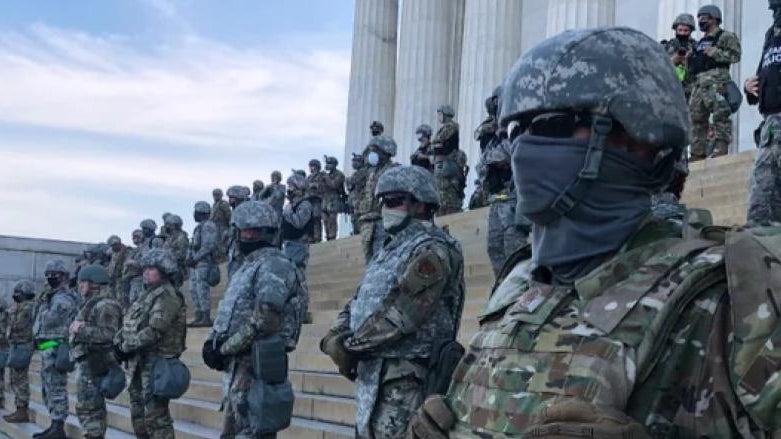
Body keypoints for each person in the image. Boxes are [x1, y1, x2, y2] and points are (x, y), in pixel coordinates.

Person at [408, 26, 781, 439]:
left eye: (553, 124)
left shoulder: (735, 296)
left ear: (642, 137)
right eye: (517, 130)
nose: (525, 148)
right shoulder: (519, 283)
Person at [321, 165, 465, 439]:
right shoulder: (389, 249)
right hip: (373, 379)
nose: (386, 207)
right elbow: (358, 299)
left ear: (421, 203)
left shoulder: (432, 248)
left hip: (405, 382)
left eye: (395, 201)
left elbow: (402, 314)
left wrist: (351, 347)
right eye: (383, 201)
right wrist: (334, 336)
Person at [203, 201, 303, 437]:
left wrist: (224, 349)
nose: (248, 236)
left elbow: (266, 319)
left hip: (257, 364)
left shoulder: (274, 264)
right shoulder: (247, 267)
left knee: (252, 432)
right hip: (239, 366)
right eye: (245, 231)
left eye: (254, 231)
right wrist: (214, 342)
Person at [114, 248, 186, 439]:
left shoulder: (167, 295)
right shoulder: (146, 294)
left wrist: (125, 347)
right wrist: (118, 341)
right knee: (139, 414)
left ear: (164, 270)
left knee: (156, 417)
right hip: (139, 362)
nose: (146, 272)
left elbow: (155, 330)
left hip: (157, 363)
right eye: (145, 268)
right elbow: (130, 322)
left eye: (152, 268)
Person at [70, 265, 123, 439]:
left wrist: (81, 330)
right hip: (87, 362)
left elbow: (108, 334)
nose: (80, 286)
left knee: (91, 409)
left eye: (83, 282)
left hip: (96, 363)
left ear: (94, 283)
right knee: (86, 407)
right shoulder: (91, 303)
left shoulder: (106, 305)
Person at [33, 259, 82, 439]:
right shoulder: (51, 296)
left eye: (55, 274)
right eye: (48, 275)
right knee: (48, 386)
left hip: (57, 345)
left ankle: (58, 425)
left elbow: (51, 319)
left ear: (64, 277)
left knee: (56, 386)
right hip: (48, 344)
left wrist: (43, 308)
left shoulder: (63, 298)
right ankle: (54, 423)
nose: (51, 278)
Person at [688, 4, 741, 161]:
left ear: (714, 18)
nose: (701, 21)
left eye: (704, 17)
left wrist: (715, 52)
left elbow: (735, 55)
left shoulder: (725, 36)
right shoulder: (700, 42)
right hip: (699, 84)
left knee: (720, 114)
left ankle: (721, 148)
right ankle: (697, 153)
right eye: (699, 18)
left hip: (717, 82)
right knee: (696, 118)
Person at [745, 0, 781, 226]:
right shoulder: (772, 34)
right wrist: (749, 87)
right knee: (761, 200)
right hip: (770, 125)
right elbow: (763, 74)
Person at [484, 139, 529, 277]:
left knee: (513, 250)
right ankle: (502, 284)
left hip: (512, 205)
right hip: (497, 203)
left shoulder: (515, 141)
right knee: (493, 247)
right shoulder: (493, 143)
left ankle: (518, 286)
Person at [356, 135, 399, 263]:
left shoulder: (393, 170)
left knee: (381, 260)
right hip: (367, 223)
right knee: (370, 262)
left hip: (383, 222)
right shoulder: (371, 172)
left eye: (375, 150)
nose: (371, 154)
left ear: (385, 152)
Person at [281, 173, 314, 323]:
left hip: (299, 245)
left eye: (292, 187)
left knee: (299, 279)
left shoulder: (305, 205)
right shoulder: (291, 205)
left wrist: (287, 212)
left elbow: (299, 222)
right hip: (288, 245)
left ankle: (304, 311)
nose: (289, 190)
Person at [4, 279, 36, 424]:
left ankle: (22, 410)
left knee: (19, 378)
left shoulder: (26, 308)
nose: (15, 295)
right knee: (15, 378)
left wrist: (10, 314)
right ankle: (19, 408)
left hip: (23, 345)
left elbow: (17, 325)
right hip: (17, 345)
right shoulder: (19, 307)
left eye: (19, 293)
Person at [187, 201, 220, 327]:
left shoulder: (208, 226)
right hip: (196, 263)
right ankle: (199, 315)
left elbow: (208, 246)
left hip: (204, 263)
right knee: (193, 289)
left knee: (202, 290)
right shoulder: (199, 227)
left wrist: (195, 258)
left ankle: (205, 317)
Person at [431, 105, 467, 216]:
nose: (439, 117)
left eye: (440, 114)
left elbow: (438, 139)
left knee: (447, 188)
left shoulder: (451, 126)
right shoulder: (446, 127)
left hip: (448, 162)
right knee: (439, 186)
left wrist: (434, 143)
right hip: (442, 162)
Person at [662, 13, 698, 100]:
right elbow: (658, 66)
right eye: (680, 30)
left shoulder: (696, 47)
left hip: (690, 89)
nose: (682, 33)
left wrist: (687, 61)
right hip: (670, 87)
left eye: (685, 31)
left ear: (690, 31)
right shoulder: (666, 46)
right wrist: (672, 60)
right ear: (676, 30)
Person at [226, 185, 252, 278]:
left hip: (240, 251)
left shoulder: (243, 210)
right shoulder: (236, 211)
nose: (229, 200)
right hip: (234, 250)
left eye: (231, 198)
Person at [322, 156, 347, 241]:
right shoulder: (326, 175)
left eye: (330, 163)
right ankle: (328, 236)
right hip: (325, 199)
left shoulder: (339, 174)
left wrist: (326, 178)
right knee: (325, 220)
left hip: (334, 199)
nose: (328, 165)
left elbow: (334, 185)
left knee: (332, 219)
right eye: (327, 163)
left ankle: (332, 237)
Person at [162, 214, 189, 288]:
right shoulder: (169, 238)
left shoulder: (181, 237)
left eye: (168, 225)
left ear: (173, 226)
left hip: (178, 269)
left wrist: (169, 255)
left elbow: (183, 254)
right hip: (168, 268)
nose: (166, 227)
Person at [121, 229, 145, 309]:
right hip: (129, 278)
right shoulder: (134, 250)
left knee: (134, 300)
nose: (135, 239)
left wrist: (133, 262)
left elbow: (144, 263)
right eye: (133, 237)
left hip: (138, 278)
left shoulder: (144, 248)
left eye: (137, 237)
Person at [346, 153, 369, 235]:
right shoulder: (358, 172)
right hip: (354, 202)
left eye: (356, 161)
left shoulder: (364, 171)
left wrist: (349, 180)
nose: (354, 163)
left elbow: (353, 181)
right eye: (353, 161)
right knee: (354, 221)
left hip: (360, 202)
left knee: (359, 222)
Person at [306, 159, 327, 243]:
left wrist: (315, 185)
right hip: (309, 200)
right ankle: (311, 238)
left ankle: (318, 238)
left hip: (318, 199)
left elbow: (325, 186)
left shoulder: (322, 175)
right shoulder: (309, 177)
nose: (311, 168)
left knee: (317, 219)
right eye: (310, 166)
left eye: (313, 166)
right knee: (309, 220)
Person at [211, 188, 232, 262]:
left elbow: (228, 216)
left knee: (223, 243)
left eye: (218, 195)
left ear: (221, 195)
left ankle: (223, 258)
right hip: (215, 227)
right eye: (215, 195)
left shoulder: (224, 204)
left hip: (222, 226)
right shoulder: (214, 205)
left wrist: (227, 227)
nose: (216, 196)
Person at [106, 235, 129, 300]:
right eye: (111, 246)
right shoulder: (113, 253)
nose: (112, 247)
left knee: (120, 298)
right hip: (112, 279)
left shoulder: (126, 251)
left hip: (121, 279)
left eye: (114, 245)